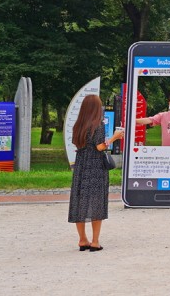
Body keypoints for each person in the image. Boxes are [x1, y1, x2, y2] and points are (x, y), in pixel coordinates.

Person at [68, 94, 124, 252]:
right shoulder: (97, 125)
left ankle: (82, 240)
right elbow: (100, 147)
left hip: (80, 166)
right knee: (96, 203)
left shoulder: (77, 125)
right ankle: (95, 242)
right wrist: (115, 137)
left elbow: (78, 144)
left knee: (80, 202)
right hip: (96, 167)